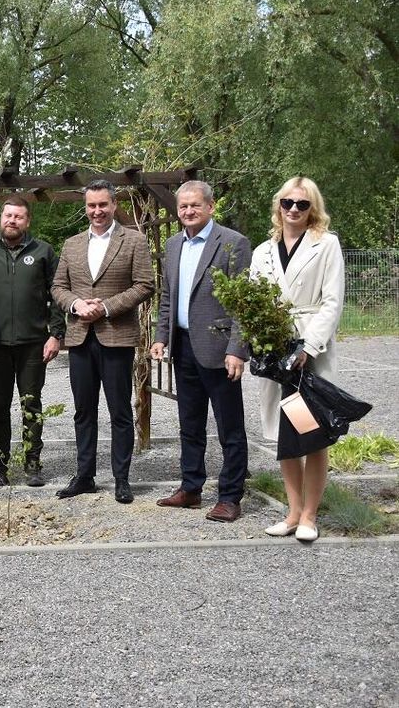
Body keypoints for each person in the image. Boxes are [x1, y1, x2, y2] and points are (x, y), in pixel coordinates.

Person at [150, 181, 251, 522]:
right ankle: (191, 488)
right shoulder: (173, 244)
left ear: (210, 206)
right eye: (183, 207)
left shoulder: (233, 243)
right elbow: (168, 297)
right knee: (189, 424)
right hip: (184, 348)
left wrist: (237, 349)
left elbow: (243, 303)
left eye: (195, 205)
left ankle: (230, 496)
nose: (188, 211)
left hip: (220, 350)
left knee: (229, 428)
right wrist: (161, 335)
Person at [250, 177, 344, 543]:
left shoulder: (327, 245)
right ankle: (291, 512)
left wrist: (308, 346)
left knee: (312, 433)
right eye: (287, 202)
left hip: (309, 348)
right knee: (286, 434)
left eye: (302, 205)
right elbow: (255, 301)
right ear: (278, 206)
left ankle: (310, 514)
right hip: (275, 350)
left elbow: (332, 302)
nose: (293, 210)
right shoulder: (263, 251)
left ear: (312, 209)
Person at [51, 179, 154, 504]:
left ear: (113, 205)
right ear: (86, 208)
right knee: (83, 411)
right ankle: (85, 476)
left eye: (103, 205)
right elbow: (57, 287)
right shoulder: (71, 244)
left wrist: (107, 307)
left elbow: (144, 285)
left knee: (120, 411)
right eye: (91, 206)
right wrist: (76, 305)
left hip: (116, 337)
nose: (97, 211)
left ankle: (122, 478)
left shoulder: (134, 241)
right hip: (80, 337)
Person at [0, 196, 65, 487]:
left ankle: (32, 463)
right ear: (1, 218)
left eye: (18, 217)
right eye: (8, 215)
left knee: (31, 405)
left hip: (34, 344)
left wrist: (56, 334)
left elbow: (58, 295)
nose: (12, 220)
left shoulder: (43, 251)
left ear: (27, 221)